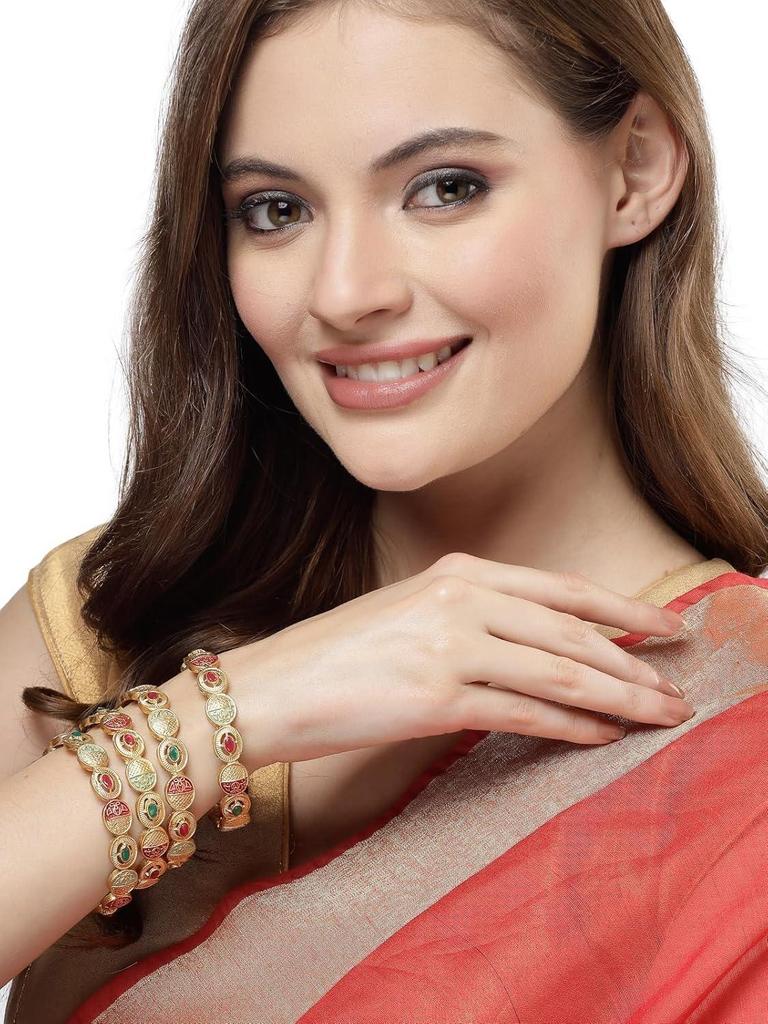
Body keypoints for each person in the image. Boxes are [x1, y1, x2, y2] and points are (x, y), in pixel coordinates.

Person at [2, 0, 767, 1020]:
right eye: (276, 209)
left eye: (444, 188)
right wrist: (221, 718)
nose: (346, 291)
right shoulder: (112, 620)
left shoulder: (745, 743)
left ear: (635, 168)